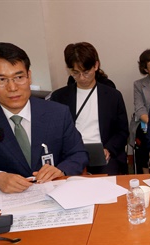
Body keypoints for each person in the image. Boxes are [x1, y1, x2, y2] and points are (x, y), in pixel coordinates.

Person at [0, 42, 87, 193]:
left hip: (54, 197)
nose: (13, 87)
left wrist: (61, 170)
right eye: (1, 79)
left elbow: (78, 153)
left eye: (19, 77)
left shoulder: (58, 113)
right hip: (5, 204)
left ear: (29, 77)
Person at [50, 42, 129, 175]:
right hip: (72, 154)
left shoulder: (112, 96)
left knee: (108, 183)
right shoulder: (60, 96)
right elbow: (54, 131)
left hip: (104, 152)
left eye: (86, 72)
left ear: (96, 66)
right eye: (75, 73)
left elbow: (122, 131)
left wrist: (108, 149)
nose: (81, 78)